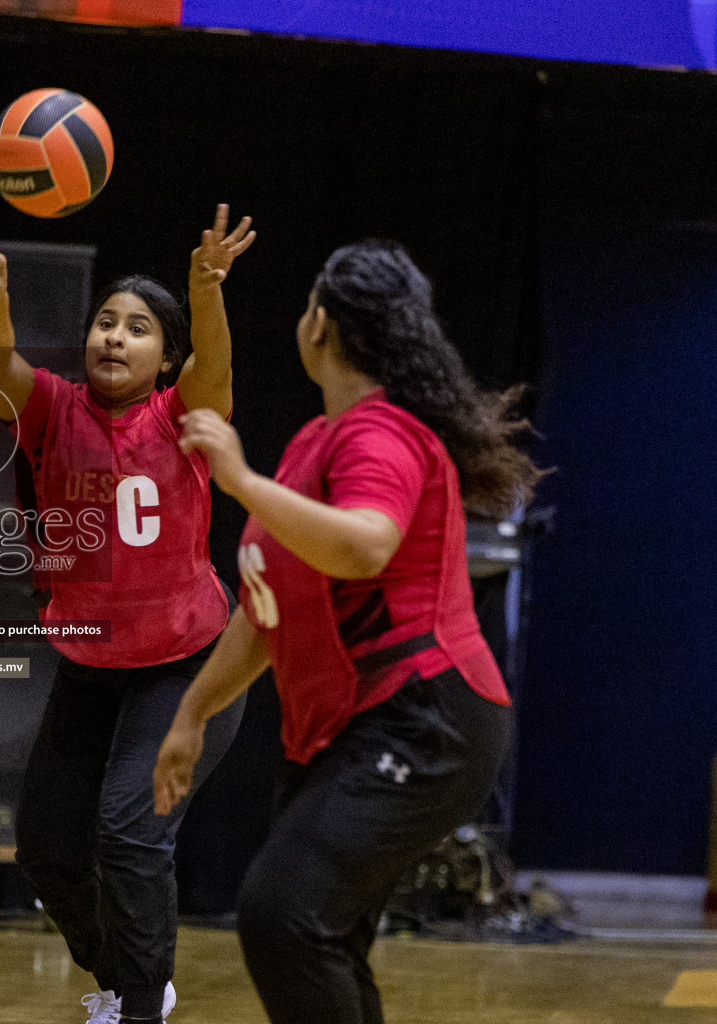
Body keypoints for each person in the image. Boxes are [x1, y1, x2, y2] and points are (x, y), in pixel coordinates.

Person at [154, 240, 541, 1024]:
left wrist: (240, 481)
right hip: (359, 722)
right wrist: (192, 712)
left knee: (281, 914)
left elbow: (367, 543)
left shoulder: (382, 435)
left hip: (427, 715)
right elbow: (269, 612)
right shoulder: (313, 444)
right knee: (318, 933)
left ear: (319, 324)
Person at [0, 206, 255, 1024]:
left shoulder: (185, 413)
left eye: (139, 328)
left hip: (186, 666)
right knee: (45, 850)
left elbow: (215, 365)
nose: (115, 337)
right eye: (105, 322)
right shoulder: (51, 409)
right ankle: (129, 979)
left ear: (167, 356)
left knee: (128, 832)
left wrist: (206, 289)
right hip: (90, 666)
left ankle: (140, 1010)